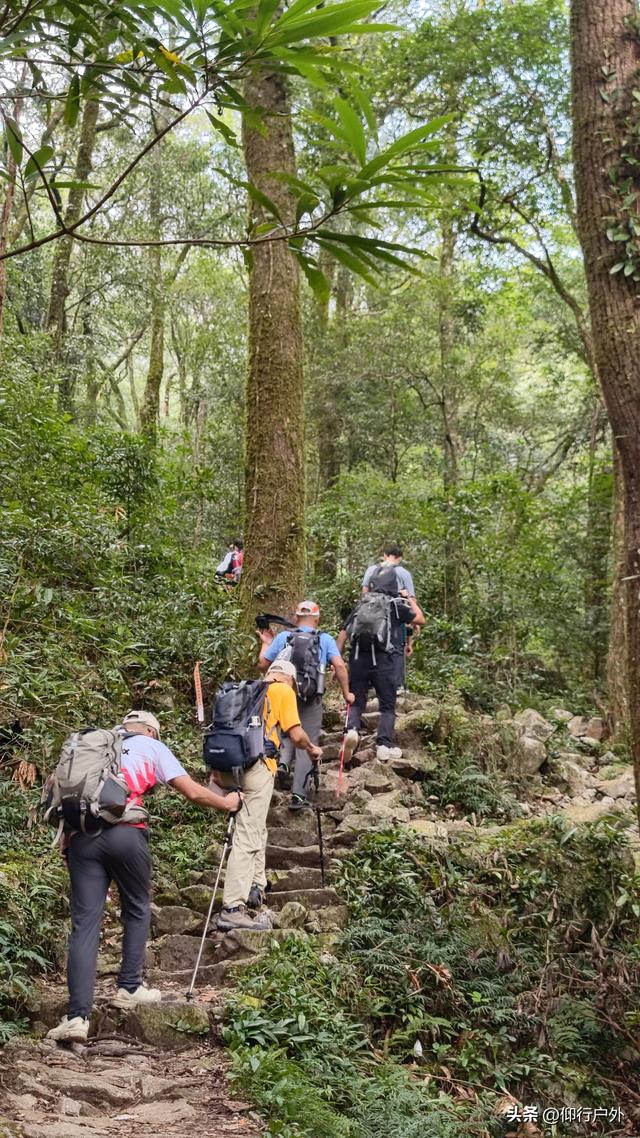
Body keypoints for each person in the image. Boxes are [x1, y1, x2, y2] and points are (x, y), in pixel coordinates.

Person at [47, 710, 240, 1044]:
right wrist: (227, 804)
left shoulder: (92, 745)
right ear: (151, 730)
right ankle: (130, 986)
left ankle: (77, 1016)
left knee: (85, 923)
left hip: (81, 839)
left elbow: (60, 790)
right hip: (126, 833)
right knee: (136, 906)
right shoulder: (151, 747)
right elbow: (192, 792)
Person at [212, 660, 322, 930]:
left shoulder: (247, 691)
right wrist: (311, 748)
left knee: (256, 829)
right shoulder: (282, 691)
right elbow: (295, 735)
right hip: (258, 766)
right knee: (248, 835)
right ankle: (232, 907)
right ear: (290, 679)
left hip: (227, 765)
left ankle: (255, 885)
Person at [257, 600, 354, 811]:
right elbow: (339, 665)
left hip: (284, 692)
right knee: (306, 740)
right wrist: (347, 694)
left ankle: (282, 764)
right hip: (311, 696)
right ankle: (298, 796)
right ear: (317, 618)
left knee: (283, 728)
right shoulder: (325, 639)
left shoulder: (284, 637)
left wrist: (266, 642)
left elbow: (263, 664)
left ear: (296, 617)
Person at [337, 575, 415, 763]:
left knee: (356, 701)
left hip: (357, 660)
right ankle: (383, 745)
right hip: (384, 662)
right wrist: (409, 597)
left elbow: (342, 635)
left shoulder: (361, 605)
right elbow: (418, 618)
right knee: (387, 706)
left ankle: (352, 730)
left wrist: (337, 663)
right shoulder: (397, 605)